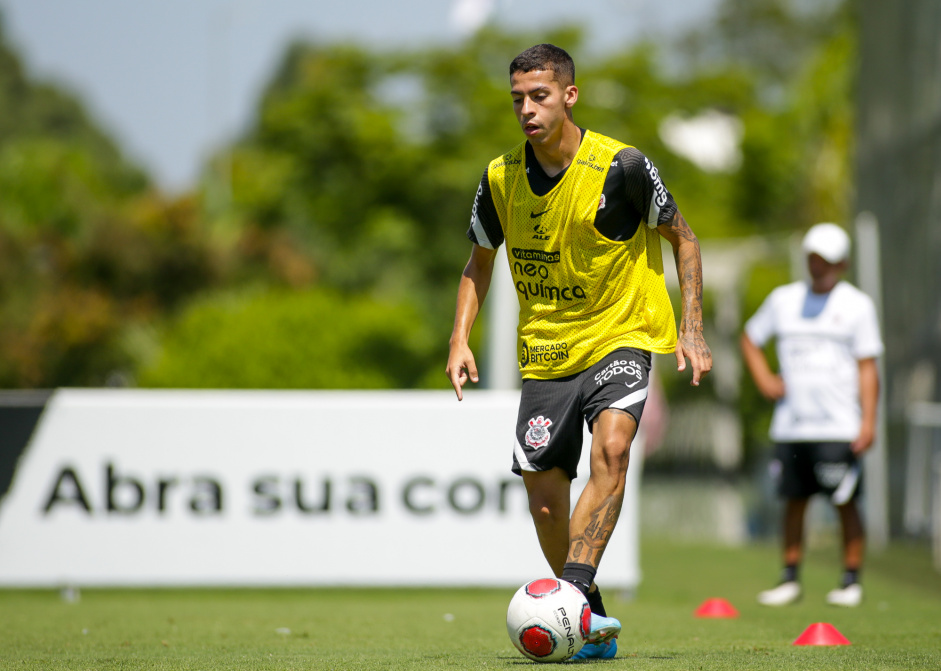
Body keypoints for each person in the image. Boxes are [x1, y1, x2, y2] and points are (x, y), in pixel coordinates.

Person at [445, 43, 712, 659]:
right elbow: (478, 261)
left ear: (569, 95)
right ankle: (587, 618)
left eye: (539, 96)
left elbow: (685, 239)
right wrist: (459, 337)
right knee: (544, 501)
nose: (527, 110)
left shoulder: (621, 166)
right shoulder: (499, 177)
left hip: (622, 333)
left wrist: (691, 327)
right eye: (517, 99)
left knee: (613, 448)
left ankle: (569, 592)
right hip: (546, 353)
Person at [741, 222, 883, 608]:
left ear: (842, 263)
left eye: (826, 260)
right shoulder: (784, 299)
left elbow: (868, 367)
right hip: (791, 426)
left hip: (839, 426)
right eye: (813, 258)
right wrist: (765, 379)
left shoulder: (857, 305)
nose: (818, 266)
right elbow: (750, 338)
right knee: (794, 501)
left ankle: (850, 580)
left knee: (845, 501)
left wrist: (868, 421)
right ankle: (789, 578)